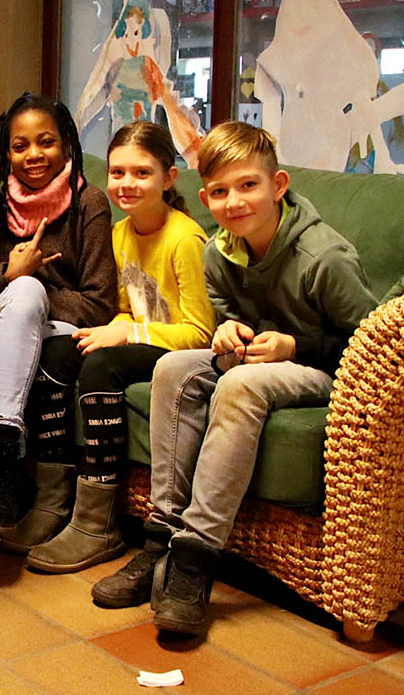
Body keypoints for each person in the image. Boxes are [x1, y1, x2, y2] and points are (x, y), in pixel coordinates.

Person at [90, 121, 376, 636]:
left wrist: (295, 346)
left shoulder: (324, 258)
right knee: (172, 367)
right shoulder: (219, 252)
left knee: (240, 386)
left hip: (323, 368)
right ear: (205, 198)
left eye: (248, 185)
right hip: (254, 359)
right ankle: (160, 539)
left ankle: (195, 559)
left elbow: (372, 345)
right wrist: (226, 331)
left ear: (278, 185)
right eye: (220, 192)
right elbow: (224, 319)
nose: (235, 202)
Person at [25, 121, 213, 574]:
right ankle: (53, 498)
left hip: (178, 350)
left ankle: (98, 521)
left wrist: (127, 333)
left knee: (101, 365)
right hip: (139, 338)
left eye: (142, 173)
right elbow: (127, 307)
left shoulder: (185, 239)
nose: (127, 183)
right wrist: (116, 326)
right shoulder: (120, 233)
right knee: (56, 354)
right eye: (117, 172)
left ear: (169, 178)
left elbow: (200, 332)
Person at [0, 94, 116, 543]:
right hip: (9, 324)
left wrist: (33, 285)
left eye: (46, 142)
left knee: (26, 293)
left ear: (66, 144)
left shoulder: (89, 203)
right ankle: (11, 456)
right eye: (20, 145)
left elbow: (101, 303)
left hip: (66, 330)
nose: (33, 155)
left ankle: (3, 464)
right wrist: (9, 276)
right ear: (6, 153)